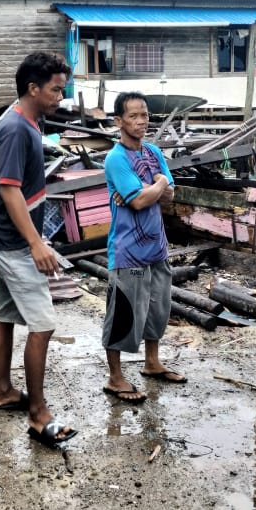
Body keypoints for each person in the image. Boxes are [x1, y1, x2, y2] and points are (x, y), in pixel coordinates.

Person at [0, 51, 76, 450]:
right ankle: (38, 415)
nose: (60, 96)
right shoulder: (18, 129)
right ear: (33, 88)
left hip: (4, 238)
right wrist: (36, 243)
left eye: (62, 89)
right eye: (55, 89)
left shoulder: (23, 122)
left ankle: (2, 391)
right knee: (42, 324)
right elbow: (9, 189)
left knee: (5, 314)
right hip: (15, 244)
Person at [100, 91, 182, 405]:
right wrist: (157, 185)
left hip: (156, 247)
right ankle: (115, 377)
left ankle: (152, 362)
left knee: (157, 309)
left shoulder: (152, 151)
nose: (140, 122)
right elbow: (139, 200)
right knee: (123, 313)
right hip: (127, 250)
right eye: (133, 116)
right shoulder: (116, 158)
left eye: (144, 115)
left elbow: (170, 196)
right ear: (119, 121)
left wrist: (155, 190)